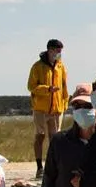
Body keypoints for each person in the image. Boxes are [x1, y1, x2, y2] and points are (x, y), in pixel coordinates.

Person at [28, 38, 69, 178]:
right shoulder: (37, 66)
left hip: (57, 109)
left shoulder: (61, 66)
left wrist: (65, 103)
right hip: (40, 108)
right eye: (57, 51)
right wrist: (47, 89)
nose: (59, 54)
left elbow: (64, 85)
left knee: (55, 139)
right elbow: (31, 86)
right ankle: (39, 167)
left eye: (60, 51)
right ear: (50, 50)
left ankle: (54, 167)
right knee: (40, 136)